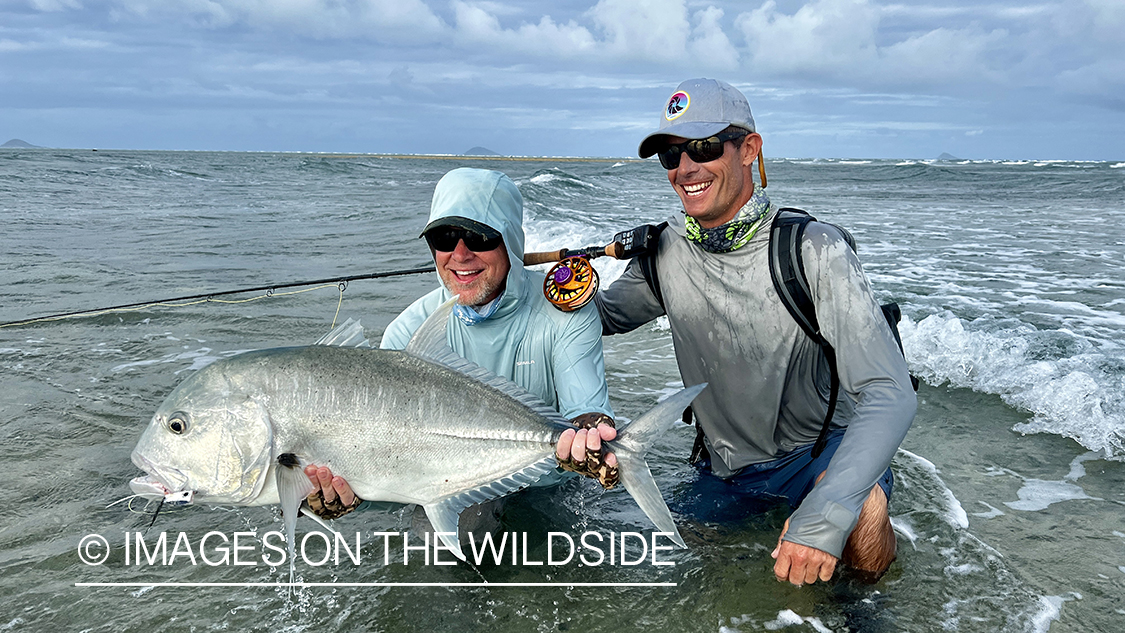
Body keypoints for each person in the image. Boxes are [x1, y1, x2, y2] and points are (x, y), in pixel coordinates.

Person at [566, 78, 917, 585]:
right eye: (670, 155)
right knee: (685, 578)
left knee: (862, 518)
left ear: (749, 149)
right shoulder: (662, 252)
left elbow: (891, 391)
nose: (686, 167)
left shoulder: (814, 249)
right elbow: (597, 317)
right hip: (724, 471)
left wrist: (826, 511)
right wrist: (521, 281)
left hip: (818, 455)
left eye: (704, 148)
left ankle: (866, 611)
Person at [304, 167, 619, 533]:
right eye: (444, 237)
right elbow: (384, 460)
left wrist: (591, 439)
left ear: (510, 242)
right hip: (448, 491)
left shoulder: (565, 313)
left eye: (479, 237)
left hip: (545, 491)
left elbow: (587, 409)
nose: (460, 254)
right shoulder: (407, 332)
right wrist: (345, 498)